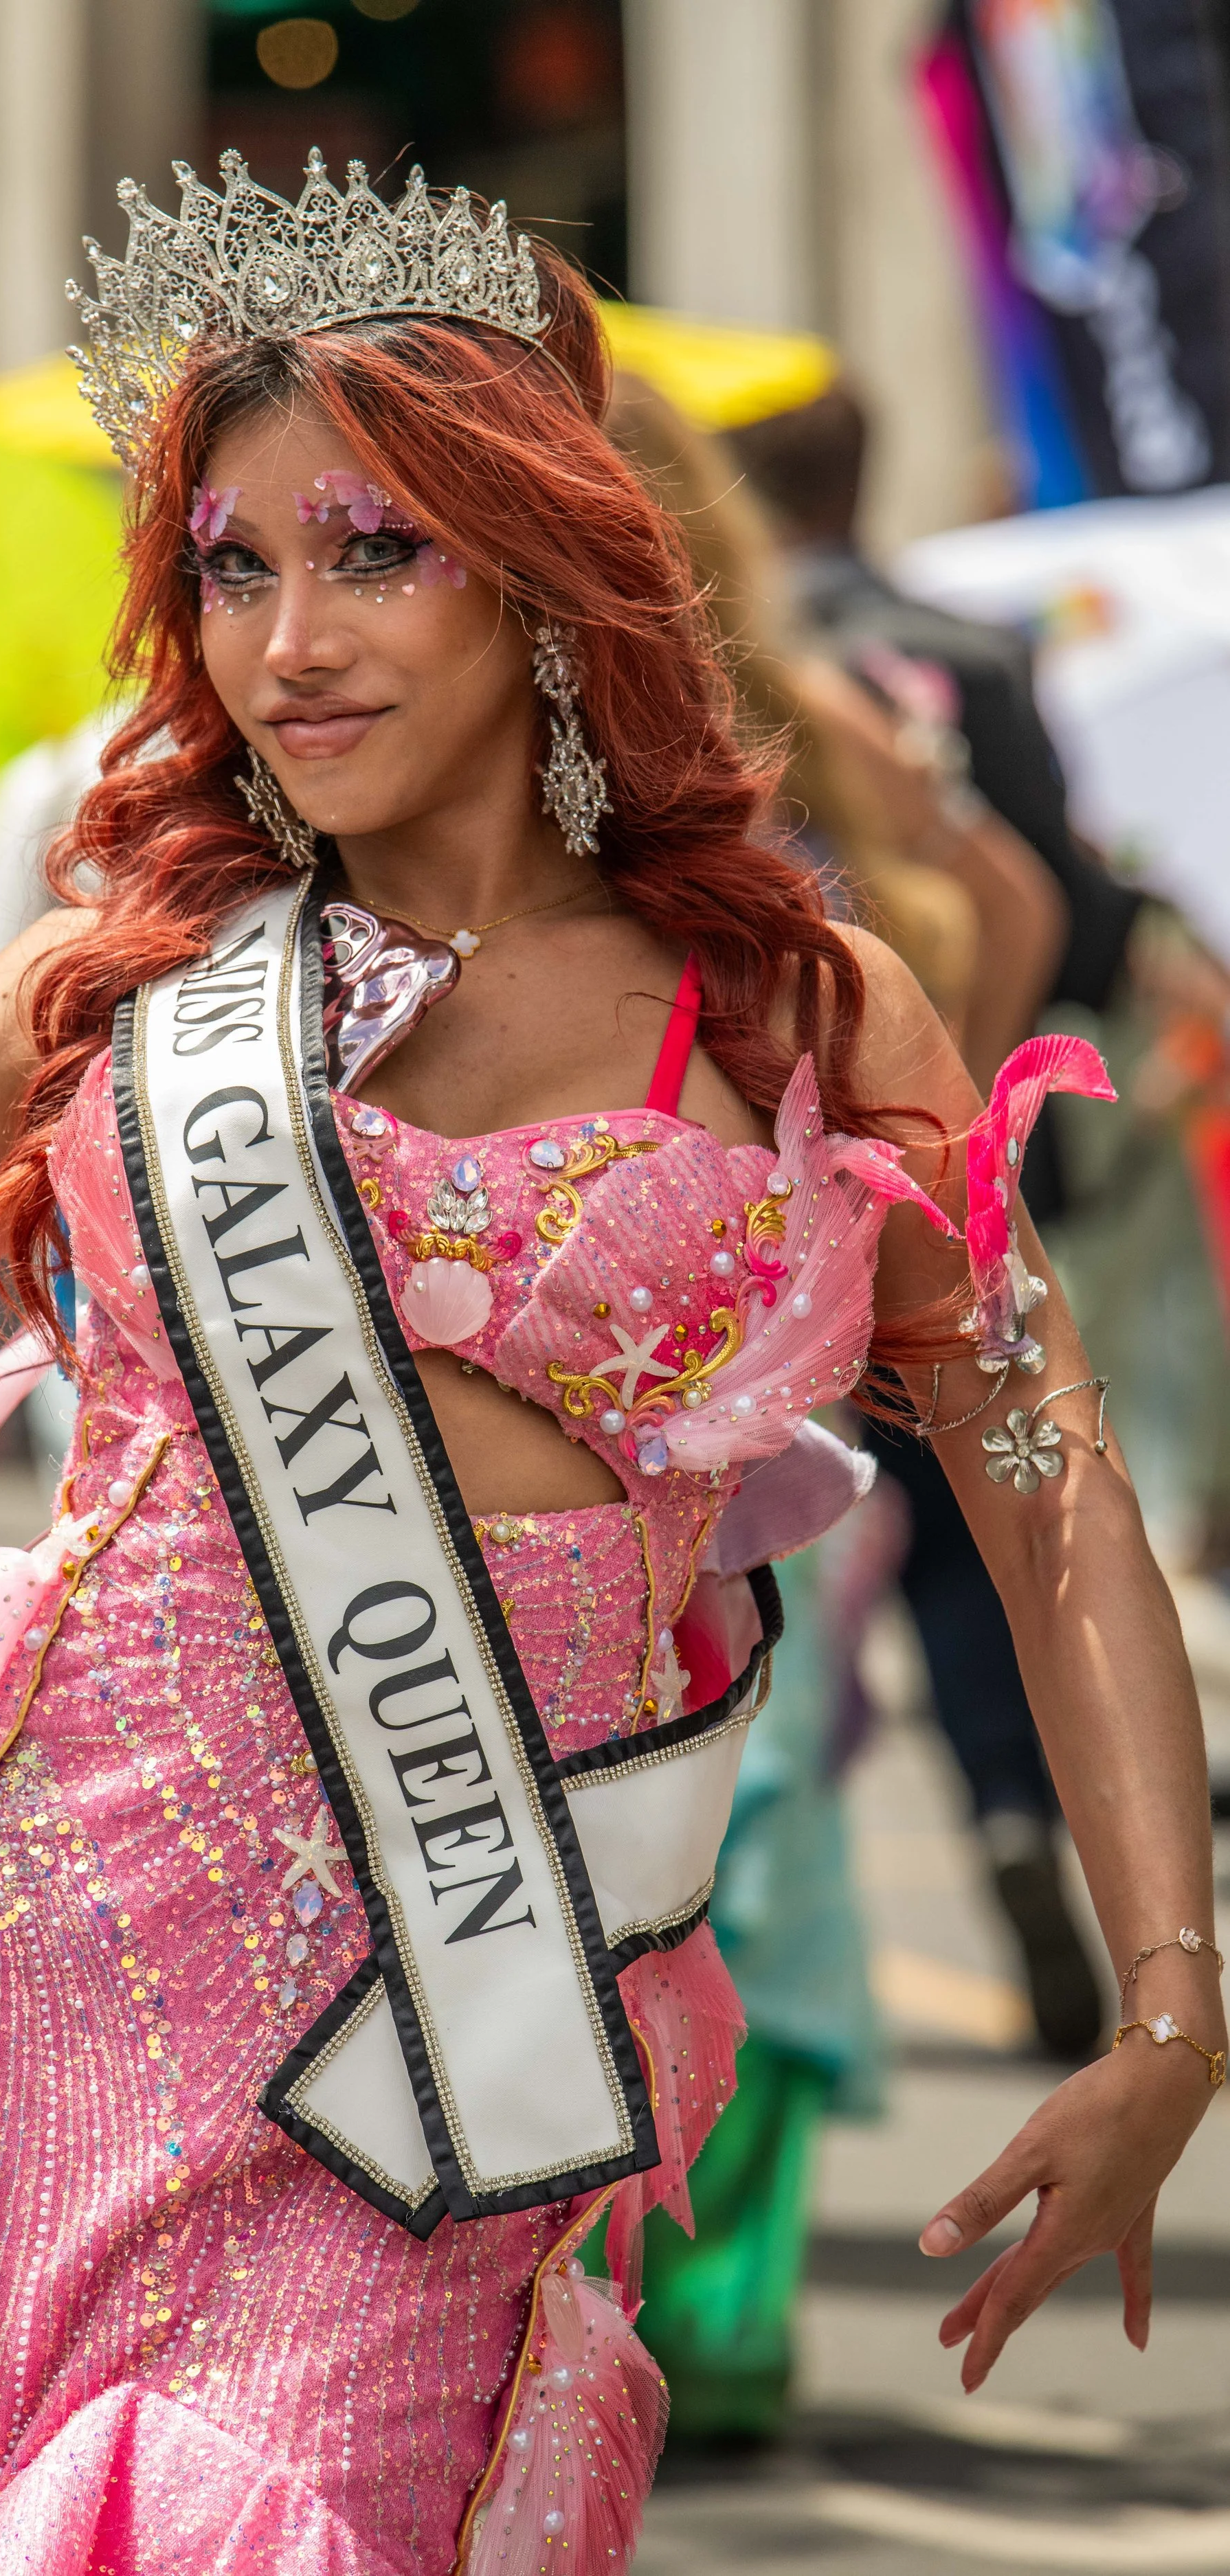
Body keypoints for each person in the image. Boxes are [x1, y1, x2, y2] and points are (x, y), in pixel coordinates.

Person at [0, 160, 1219, 2576]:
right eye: (234, 564)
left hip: (460, 2026)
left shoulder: (800, 1015)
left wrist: (1171, 2008)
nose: (287, 641)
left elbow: (1048, 1493)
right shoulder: (107, 997)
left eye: (374, 551)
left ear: (541, 568)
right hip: (52, 1957)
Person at [728, 379, 1140, 2057]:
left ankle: (752, 1953)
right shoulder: (949, 655)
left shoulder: (722, 680)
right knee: (990, 1525)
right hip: (931, 1173)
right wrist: (946, 1094)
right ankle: (1002, 1811)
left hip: (746, 1215)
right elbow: (1053, 900)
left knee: (779, 1575)